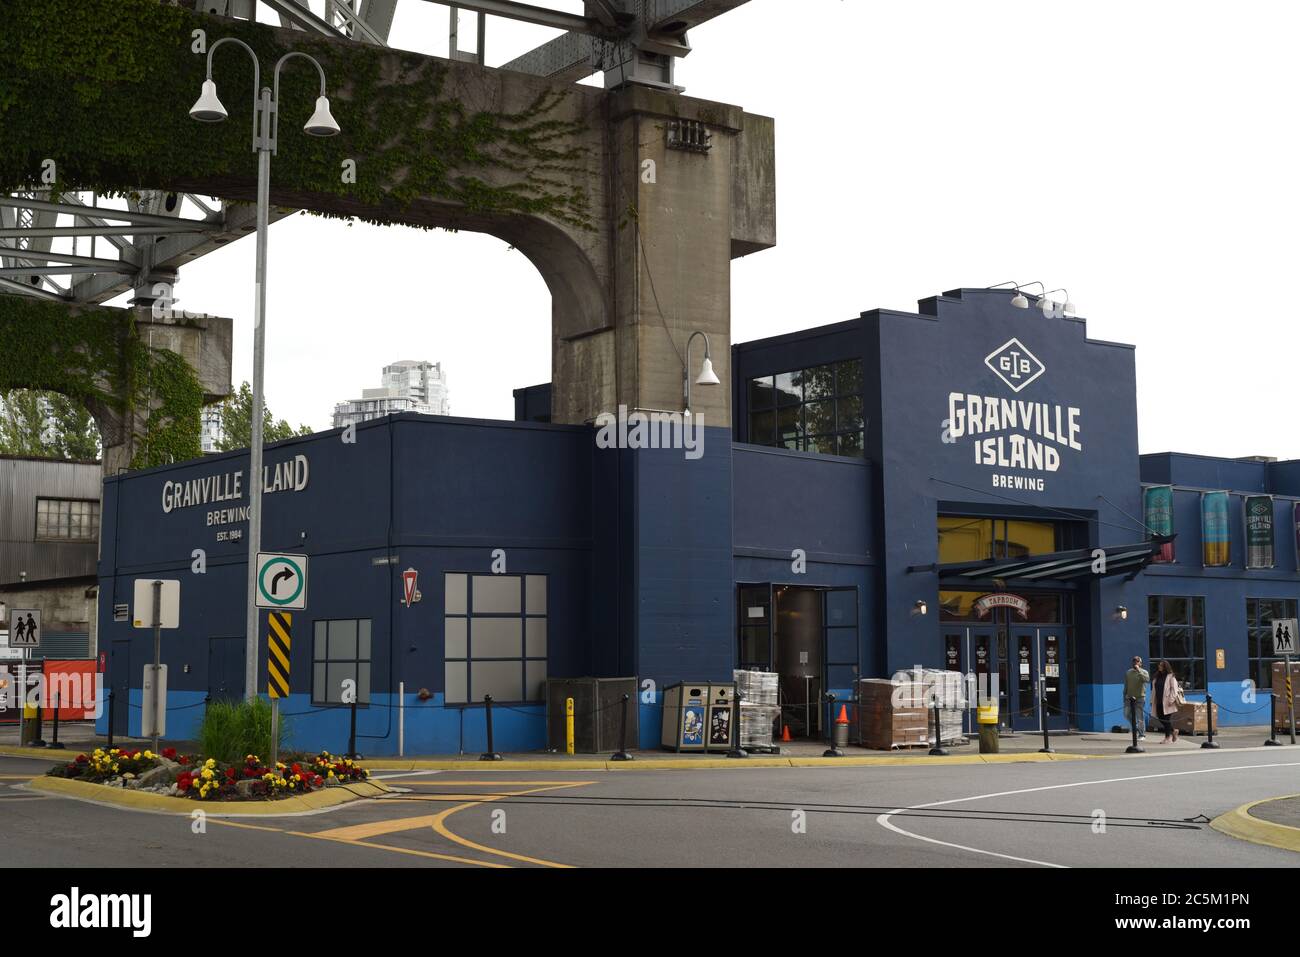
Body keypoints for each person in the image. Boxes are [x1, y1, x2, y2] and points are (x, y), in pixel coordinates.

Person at [1153, 659, 1181, 743]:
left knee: (1166, 719)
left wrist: (1171, 700)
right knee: (1160, 718)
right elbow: (1154, 690)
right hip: (1158, 701)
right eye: (1159, 665)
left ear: (1165, 667)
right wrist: (1152, 701)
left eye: (1161, 665)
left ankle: (1167, 737)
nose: (1159, 666)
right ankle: (1174, 731)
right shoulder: (1157, 676)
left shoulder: (1170, 676)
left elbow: (1174, 689)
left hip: (1168, 702)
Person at [1123, 655, 1150, 739]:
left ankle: (1142, 734)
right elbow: (1126, 685)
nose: (1135, 662)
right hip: (1129, 697)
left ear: (1141, 663)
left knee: (1139, 717)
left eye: (1137, 661)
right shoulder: (1128, 672)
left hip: (1140, 698)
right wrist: (1124, 695)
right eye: (1134, 661)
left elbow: (1146, 679)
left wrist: (1138, 670)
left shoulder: (1144, 672)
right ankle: (1136, 727)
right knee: (1126, 714)